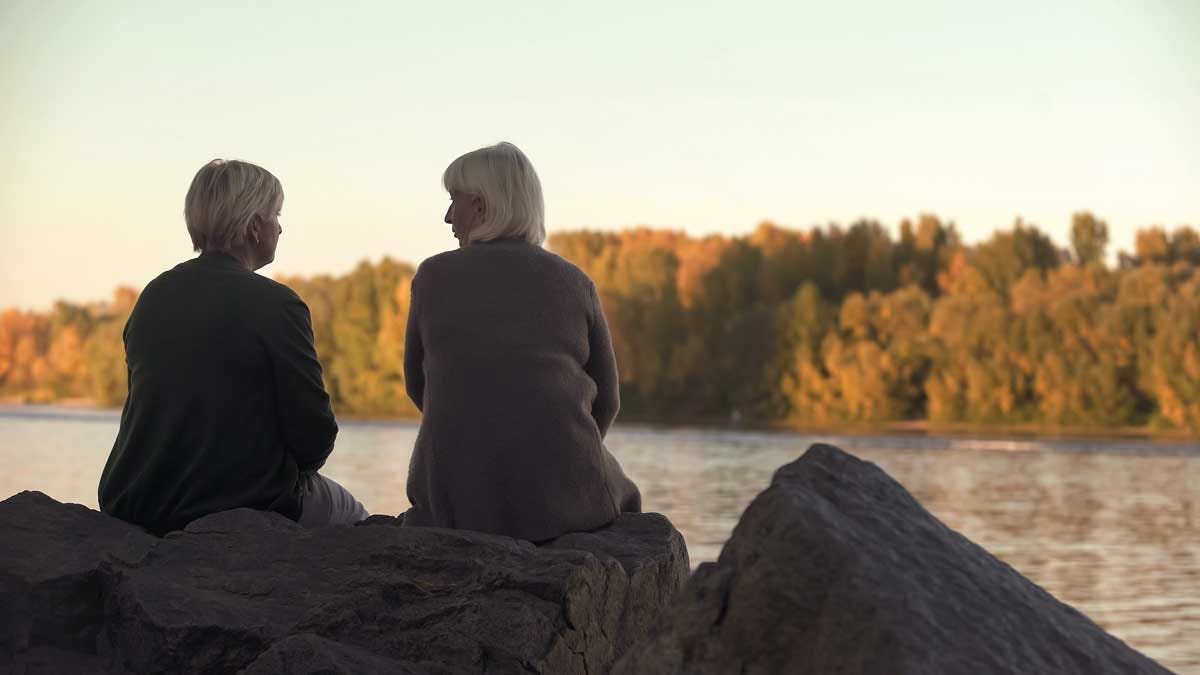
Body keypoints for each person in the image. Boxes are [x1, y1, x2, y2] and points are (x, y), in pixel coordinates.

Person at [98, 159, 367, 535]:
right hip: (238, 502)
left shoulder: (155, 294)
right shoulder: (277, 304)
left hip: (137, 499)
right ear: (255, 226)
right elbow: (313, 434)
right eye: (276, 214)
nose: (280, 226)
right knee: (357, 518)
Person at [402, 142, 641, 542]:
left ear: (480, 206)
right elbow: (608, 400)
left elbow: (418, 386)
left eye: (453, 201)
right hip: (566, 501)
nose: (447, 217)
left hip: (453, 502)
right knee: (627, 499)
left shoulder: (432, 276)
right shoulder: (574, 281)